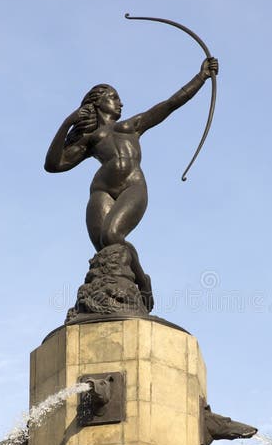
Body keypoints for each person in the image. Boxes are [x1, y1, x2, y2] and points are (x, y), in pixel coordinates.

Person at [44, 57, 218, 296]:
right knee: (106, 250)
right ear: (97, 102)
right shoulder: (90, 139)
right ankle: (111, 295)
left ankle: (142, 280)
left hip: (132, 186)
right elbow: (54, 165)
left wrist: (201, 77)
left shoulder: (133, 125)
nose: (120, 102)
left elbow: (169, 105)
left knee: (113, 234)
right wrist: (68, 122)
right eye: (114, 97)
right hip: (101, 191)